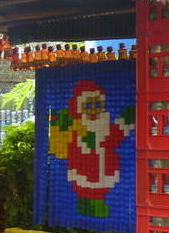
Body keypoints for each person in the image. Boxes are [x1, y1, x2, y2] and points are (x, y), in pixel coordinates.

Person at [49, 80, 134, 217]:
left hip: (102, 167)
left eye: (98, 104)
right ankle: (86, 207)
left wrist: (124, 122)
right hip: (83, 167)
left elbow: (115, 136)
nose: (94, 110)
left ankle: (96, 207)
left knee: (98, 191)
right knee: (83, 189)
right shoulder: (76, 128)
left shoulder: (104, 126)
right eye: (88, 105)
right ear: (79, 107)